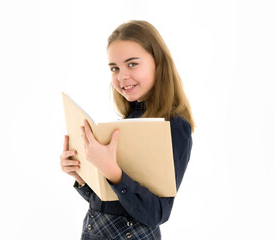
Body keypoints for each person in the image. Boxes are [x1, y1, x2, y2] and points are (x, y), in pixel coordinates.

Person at [60, 20, 194, 240]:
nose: (121, 77)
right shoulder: (130, 119)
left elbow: (157, 213)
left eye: (132, 64)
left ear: (158, 63)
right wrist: (81, 176)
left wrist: (113, 172)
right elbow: (116, 206)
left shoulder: (174, 126)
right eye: (115, 68)